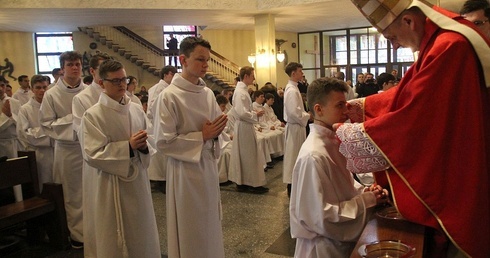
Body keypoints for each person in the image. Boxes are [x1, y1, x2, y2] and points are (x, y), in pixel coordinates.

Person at [337, 1, 490, 257]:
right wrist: (364, 107)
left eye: (392, 37)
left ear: (408, 21)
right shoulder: (436, 45)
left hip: (460, 166)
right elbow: (410, 94)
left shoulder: (448, 46)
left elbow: (418, 118)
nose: (393, 45)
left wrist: (356, 133)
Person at [290, 77, 389, 258]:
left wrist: (365, 190)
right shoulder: (313, 155)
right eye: (340, 105)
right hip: (323, 248)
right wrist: (367, 200)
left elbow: (344, 184)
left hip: (338, 243)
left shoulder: (332, 140)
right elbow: (320, 217)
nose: (346, 111)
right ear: (318, 109)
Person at [153, 36, 227, 258]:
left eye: (207, 60)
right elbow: (163, 141)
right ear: (182, 59)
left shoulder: (206, 93)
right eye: (200, 60)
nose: (205, 65)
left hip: (207, 166)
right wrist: (201, 136)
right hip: (185, 170)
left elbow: (215, 129)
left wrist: (214, 134)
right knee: (190, 224)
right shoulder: (168, 96)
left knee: (210, 221)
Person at [79, 60, 160, 258]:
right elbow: (92, 153)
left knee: (139, 227)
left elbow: (149, 138)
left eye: (124, 79)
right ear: (101, 83)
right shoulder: (92, 115)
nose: (122, 84)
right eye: (115, 81)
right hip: (109, 184)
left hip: (137, 180)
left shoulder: (135, 108)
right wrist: (128, 147)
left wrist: (142, 146)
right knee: (113, 231)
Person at [39, 51, 87, 249]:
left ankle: (93, 231)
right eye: (70, 64)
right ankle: (77, 236)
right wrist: (74, 120)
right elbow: (46, 124)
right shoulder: (51, 94)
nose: (75, 67)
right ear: (62, 68)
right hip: (67, 150)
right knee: (73, 194)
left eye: (77, 64)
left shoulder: (89, 91)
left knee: (90, 191)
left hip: (87, 148)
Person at [228, 66, 268, 194]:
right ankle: (250, 183)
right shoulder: (240, 92)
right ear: (246, 77)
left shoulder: (243, 90)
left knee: (247, 155)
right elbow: (241, 113)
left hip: (245, 126)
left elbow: (244, 111)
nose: (254, 78)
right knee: (248, 155)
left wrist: (254, 112)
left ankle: (245, 181)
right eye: (252, 75)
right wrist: (256, 114)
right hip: (244, 126)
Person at [17, 75, 53, 191]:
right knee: (43, 186)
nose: (42, 90)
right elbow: (25, 134)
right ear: (32, 89)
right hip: (39, 155)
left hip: (57, 152)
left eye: (44, 87)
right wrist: (50, 135)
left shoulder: (53, 106)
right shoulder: (25, 109)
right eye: (38, 87)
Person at [146, 66, 176, 194]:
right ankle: (160, 181)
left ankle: (165, 179)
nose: (174, 76)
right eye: (172, 74)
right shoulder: (159, 88)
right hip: (157, 124)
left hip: (163, 122)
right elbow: (152, 107)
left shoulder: (167, 88)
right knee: (160, 155)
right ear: (166, 75)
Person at [283, 62, 311, 197]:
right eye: (300, 71)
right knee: (293, 157)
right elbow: (294, 112)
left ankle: (296, 185)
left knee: (296, 156)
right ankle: (292, 187)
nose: (302, 73)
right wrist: (307, 116)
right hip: (295, 127)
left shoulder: (294, 88)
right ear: (293, 73)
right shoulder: (291, 90)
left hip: (297, 127)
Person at [72, 52, 112, 135]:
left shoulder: (120, 94)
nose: (107, 73)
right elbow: (81, 130)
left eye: (109, 69)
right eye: (103, 69)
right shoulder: (81, 99)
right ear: (92, 71)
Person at [0, 75, 22, 201]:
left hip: (13, 143)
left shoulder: (14, 102)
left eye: (2, 85)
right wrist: (6, 117)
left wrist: (10, 116)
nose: (0, 89)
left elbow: (20, 124)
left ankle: (19, 201)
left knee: (16, 177)